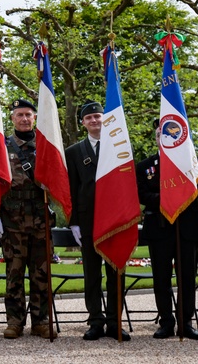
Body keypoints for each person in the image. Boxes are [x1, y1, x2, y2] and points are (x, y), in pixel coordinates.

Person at [136, 118, 198, 340]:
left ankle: (186, 322)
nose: (164, 139)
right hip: (159, 229)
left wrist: (181, 192)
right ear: (157, 138)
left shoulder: (192, 163)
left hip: (186, 228)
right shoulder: (144, 166)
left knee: (187, 277)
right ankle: (166, 321)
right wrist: (168, 198)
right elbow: (142, 195)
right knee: (161, 278)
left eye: (169, 135)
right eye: (160, 135)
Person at [0, 99, 53, 339]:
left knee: (41, 273)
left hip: (40, 217)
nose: (24, 119)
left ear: (35, 117)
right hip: (12, 220)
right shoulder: (2, 147)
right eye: (19, 115)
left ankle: (41, 321)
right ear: (12, 118)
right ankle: (15, 321)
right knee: (14, 273)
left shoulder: (47, 145)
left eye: (28, 114)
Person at [65, 101, 128, 341]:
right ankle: (95, 321)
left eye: (97, 116)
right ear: (83, 123)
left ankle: (115, 322)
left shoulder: (120, 148)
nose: (94, 120)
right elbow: (71, 188)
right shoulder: (73, 152)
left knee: (116, 274)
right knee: (92, 275)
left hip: (115, 220)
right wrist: (73, 222)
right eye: (89, 117)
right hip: (88, 221)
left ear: (105, 119)